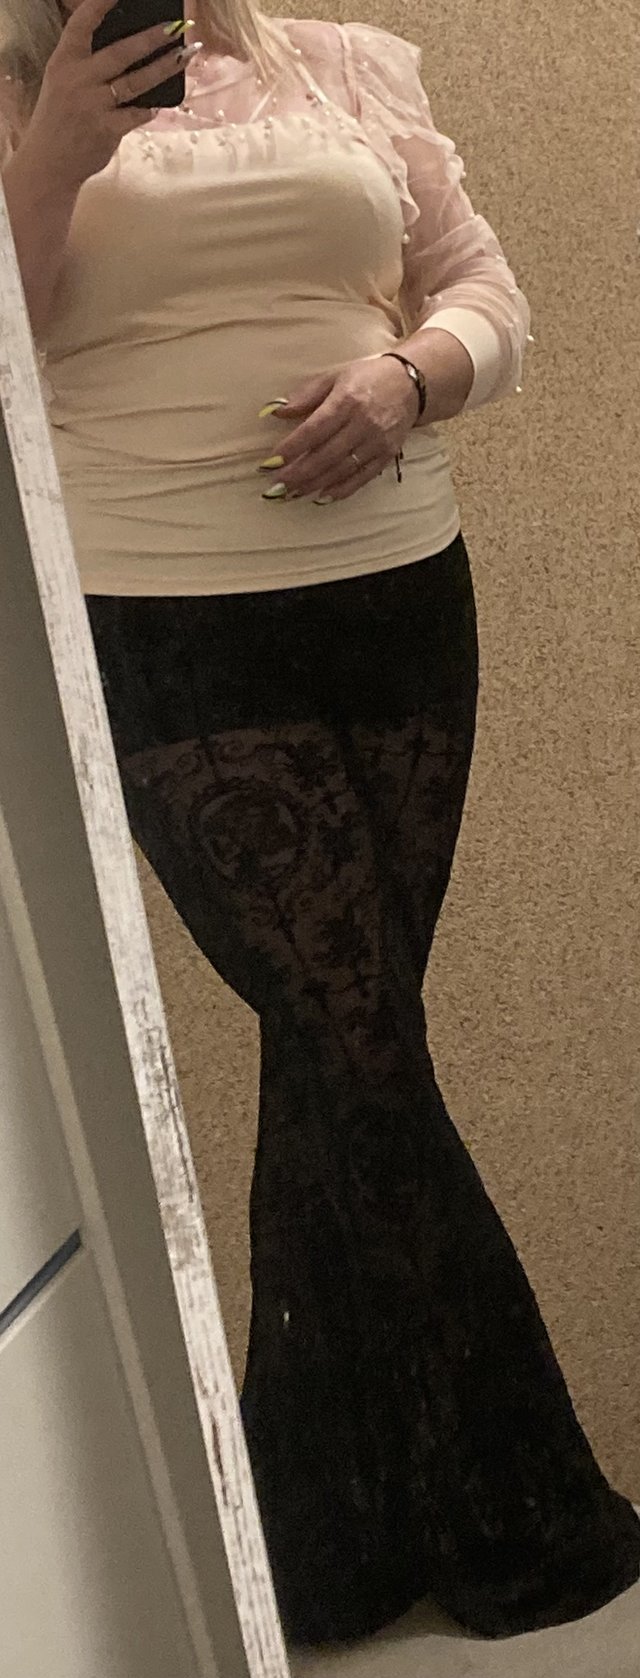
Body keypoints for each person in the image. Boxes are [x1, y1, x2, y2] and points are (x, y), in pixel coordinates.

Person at [2, 0, 639, 1648]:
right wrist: (54, 149)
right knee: (359, 1043)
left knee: (341, 1053)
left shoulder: (344, 62)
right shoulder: (15, 104)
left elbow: (487, 291)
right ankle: (528, 1512)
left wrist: (411, 375)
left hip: (399, 602)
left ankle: (320, 1533)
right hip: (164, 620)